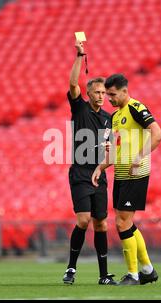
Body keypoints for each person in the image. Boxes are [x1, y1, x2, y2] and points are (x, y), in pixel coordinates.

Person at [92, 74, 161, 285]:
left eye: (112, 94)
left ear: (124, 91)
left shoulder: (136, 108)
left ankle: (133, 274)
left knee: (122, 222)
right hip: (121, 175)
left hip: (136, 173)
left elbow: (158, 134)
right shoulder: (115, 117)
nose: (109, 99)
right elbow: (114, 151)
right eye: (107, 95)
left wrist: (140, 157)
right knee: (126, 223)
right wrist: (100, 167)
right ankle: (148, 270)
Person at [62, 39, 117, 285]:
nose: (102, 96)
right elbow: (73, 83)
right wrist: (79, 56)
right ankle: (71, 269)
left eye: (104, 92)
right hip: (80, 173)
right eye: (97, 92)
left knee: (102, 224)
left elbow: (109, 148)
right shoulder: (80, 109)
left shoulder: (108, 118)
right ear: (89, 93)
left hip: (100, 175)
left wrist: (104, 164)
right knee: (83, 220)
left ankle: (104, 275)